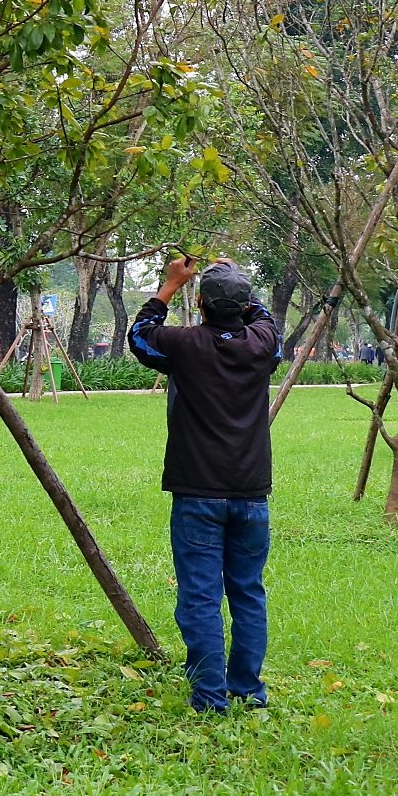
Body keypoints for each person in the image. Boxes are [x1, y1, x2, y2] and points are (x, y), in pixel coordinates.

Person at [128, 255, 281, 715]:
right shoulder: (263, 345)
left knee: (199, 597)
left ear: (200, 303)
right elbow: (264, 318)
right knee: (248, 592)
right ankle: (248, 691)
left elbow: (139, 336)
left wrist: (169, 285)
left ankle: (210, 698)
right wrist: (235, 281)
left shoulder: (182, 344)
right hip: (252, 494)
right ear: (244, 304)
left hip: (196, 493)